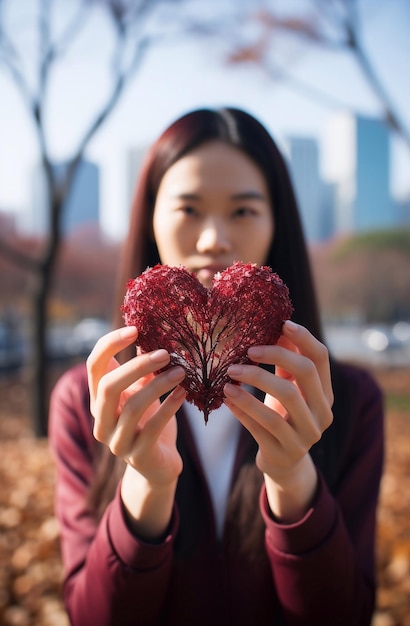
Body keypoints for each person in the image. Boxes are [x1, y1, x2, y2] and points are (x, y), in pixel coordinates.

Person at [49, 107, 384, 626]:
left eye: (243, 211)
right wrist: (147, 487)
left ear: (278, 224)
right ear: (151, 219)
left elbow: (346, 613)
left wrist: (294, 479)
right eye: (188, 209)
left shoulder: (351, 398)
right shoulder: (88, 398)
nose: (213, 239)